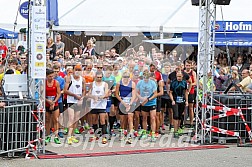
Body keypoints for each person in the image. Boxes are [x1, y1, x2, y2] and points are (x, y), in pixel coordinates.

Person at [64, 64, 85, 145]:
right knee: (71, 118)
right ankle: (69, 136)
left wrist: (82, 98)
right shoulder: (69, 78)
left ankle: (72, 136)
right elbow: (65, 90)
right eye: (76, 69)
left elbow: (83, 90)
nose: (78, 71)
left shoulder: (82, 79)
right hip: (71, 101)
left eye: (79, 70)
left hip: (78, 102)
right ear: (73, 70)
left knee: (76, 119)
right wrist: (74, 95)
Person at [87, 71, 109, 144]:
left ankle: (104, 136)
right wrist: (93, 97)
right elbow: (89, 94)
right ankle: (96, 135)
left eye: (100, 77)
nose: (99, 79)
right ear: (95, 77)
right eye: (98, 77)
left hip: (102, 105)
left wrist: (100, 97)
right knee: (94, 120)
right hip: (94, 105)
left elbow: (106, 94)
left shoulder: (104, 84)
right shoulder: (92, 84)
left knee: (102, 120)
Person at [136, 70, 157, 142]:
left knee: (153, 118)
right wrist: (141, 98)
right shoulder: (140, 83)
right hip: (143, 103)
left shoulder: (152, 83)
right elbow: (136, 92)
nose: (146, 79)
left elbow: (155, 94)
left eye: (147, 78)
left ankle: (153, 134)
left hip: (151, 102)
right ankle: (144, 132)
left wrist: (148, 99)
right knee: (144, 118)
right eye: (145, 77)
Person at [115, 71, 136, 143]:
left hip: (130, 102)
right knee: (122, 119)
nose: (126, 79)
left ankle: (130, 135)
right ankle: (123, 132)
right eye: (124, 77)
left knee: (130, 118)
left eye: (127, 77)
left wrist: (130, 104)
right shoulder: (119, 83)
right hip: (122, 102)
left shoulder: (132, 84)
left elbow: (134, 95)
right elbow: (117, 94)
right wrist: (123, 102)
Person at [169, 71, 189, 138]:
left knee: (180, 115)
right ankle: (175, 131)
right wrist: (172, 100)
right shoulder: (173, 82)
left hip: (182, 100)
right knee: (176, 115)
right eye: (177, 76)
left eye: (180, 76)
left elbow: (186, 92)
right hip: (175, 100)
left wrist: (187, 101)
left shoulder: (184, 82)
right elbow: (170, 92)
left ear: (182, 76)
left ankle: (178, 129)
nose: (179, 78)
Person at [45, 69, 61, 144]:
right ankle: (48, 135)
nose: (51, 78)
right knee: (47, 120)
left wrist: (54, 102)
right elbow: (42, 95)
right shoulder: (44, 83)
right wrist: (48, 101)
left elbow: (58, 93)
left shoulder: (56, 82)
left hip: (55, 103)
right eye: (49, 76)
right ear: (46, 76)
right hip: (47, 103)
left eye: (52, 76)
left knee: (56, 120)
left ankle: (56, 136)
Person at [53, 65, 65, 138]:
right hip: (51, 100)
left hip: (59, 100)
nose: (56, 73)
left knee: (60, 116)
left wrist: (59, 93)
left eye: (57, 71)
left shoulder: (61, 79)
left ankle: (60, 130)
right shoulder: (48, 79)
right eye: (54, 71)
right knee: (51, 116)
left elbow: (63, 89)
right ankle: (52, 129)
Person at [184, 60, 197, 129]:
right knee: (183, 107)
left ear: (191, 66)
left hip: (191, 91)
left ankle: (191, 122)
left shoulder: (193, 73)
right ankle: (183, 122)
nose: (188, 67)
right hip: (183, 91)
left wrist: (190, 84)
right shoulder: (183, 72)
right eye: (187, 65)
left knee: (191, 107)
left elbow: (195, 82)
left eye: (189, 65)